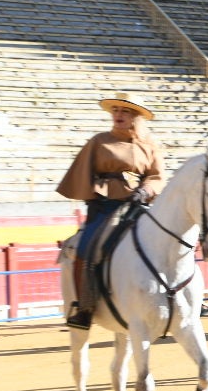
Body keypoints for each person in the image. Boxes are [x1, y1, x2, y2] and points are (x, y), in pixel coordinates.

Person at [56, 94, 165, 329]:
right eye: (115, 110)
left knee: (169, 239)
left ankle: (183, 297)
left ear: (136, 117)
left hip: (139, 206)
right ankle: (84, 307)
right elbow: (83, 173)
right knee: (86, 247)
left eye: (125, 111)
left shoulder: (150, 145)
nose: (118, 115)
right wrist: (95, 195)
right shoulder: (99, 141)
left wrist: (145, 191)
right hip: (105, 207)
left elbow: (157, 177)